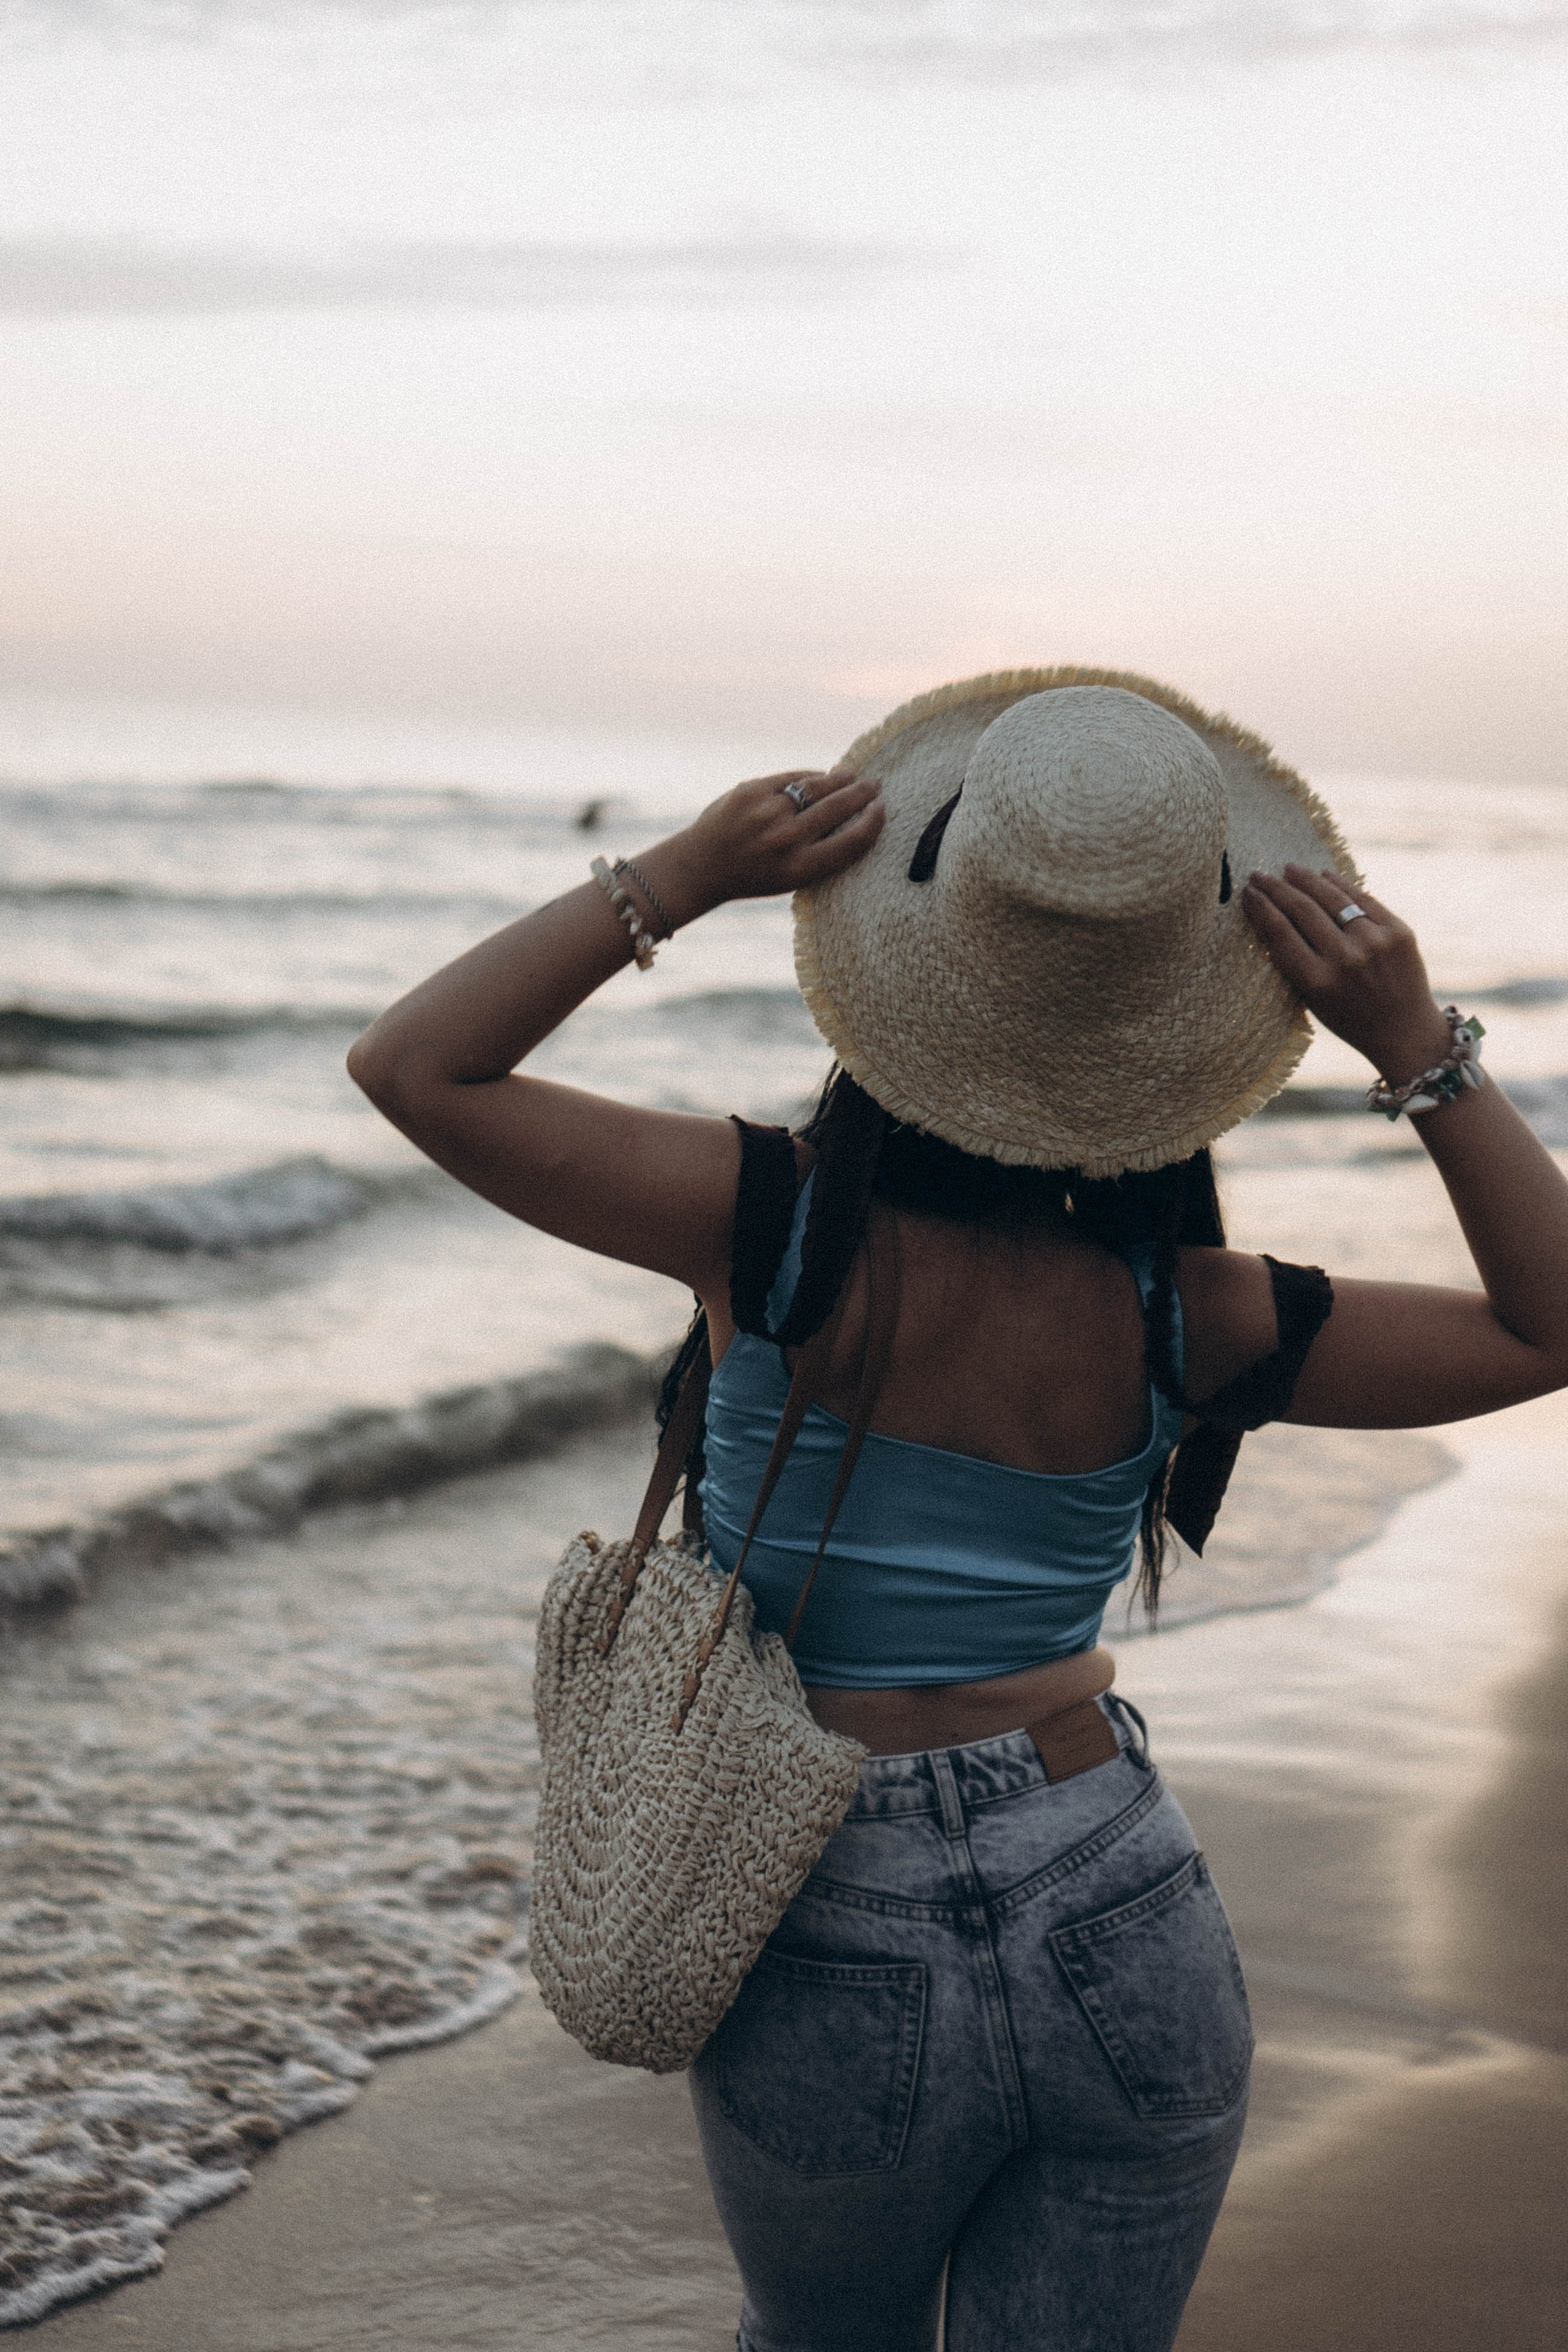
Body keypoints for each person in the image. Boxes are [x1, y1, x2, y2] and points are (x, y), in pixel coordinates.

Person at [347, 674, 1568, 2352]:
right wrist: (1418, 1046)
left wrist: (680, 877)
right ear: (1178, 1033)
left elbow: (414, 1066)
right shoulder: (1192, 1313)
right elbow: (1547, 1327)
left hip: (822, 1889)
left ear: (911, 967)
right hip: (1118, 1886)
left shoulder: (765, 1226)